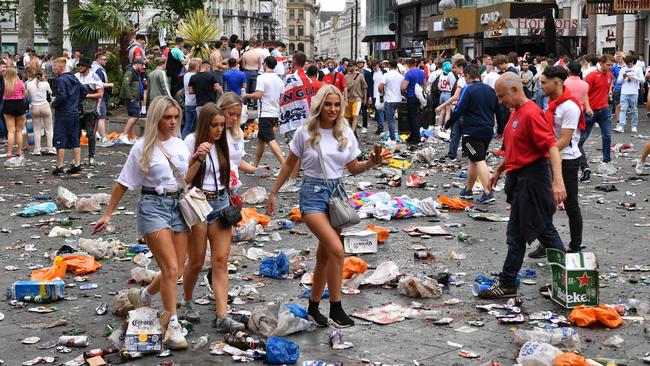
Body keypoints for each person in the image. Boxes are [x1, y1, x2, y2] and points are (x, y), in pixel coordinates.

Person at [267, 85, 388, 327]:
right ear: (319, 106)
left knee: (324, 256)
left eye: (336, 105)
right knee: (337, 250)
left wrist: (371, 164)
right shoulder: (305, 132)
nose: (332, 109)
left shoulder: (345, 132)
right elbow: (289, 164)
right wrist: (273, 192)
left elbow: (353, 168)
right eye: (328, 104)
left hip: (335, 195)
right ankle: (336, 307)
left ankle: (313, 307)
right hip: (311, 196)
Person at [93, 96, 189, 349]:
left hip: (179, 206)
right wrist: (107, 213)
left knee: (178, 269)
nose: (172, 121)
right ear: (156, 118)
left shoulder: (181, 145)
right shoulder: (143, 146)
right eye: (167, 117)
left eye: (175, 117)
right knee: (169, 268)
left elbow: (187, 178)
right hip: (152, 207)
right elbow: (124, 182)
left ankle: (144, 295)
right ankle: (172, 325)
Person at [478, 73, 566, 299]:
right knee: (520, 233)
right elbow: (515, 149)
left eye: (501, 96)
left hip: (533, 180)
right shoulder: (516, 113)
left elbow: (552, 148)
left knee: (543, 230)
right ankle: (509, 282)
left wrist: (558, 182)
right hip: (520, 179)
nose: (500, 101)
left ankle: (564, 280)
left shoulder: (532, 113)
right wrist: (499, 170)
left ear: (516, 90)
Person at [179, 102, 246, 331]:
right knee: (196, 260)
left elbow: (229, 171)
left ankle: (222, 315)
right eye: (214, 126)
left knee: (220, 261)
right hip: (198, 202)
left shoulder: (222, 143)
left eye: (221, 125)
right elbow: (184, 179)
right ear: (204, 125)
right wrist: (197, 157)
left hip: (220, 204)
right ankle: (187, 301)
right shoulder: (190, 141)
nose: (218, 130)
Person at [528, 66, 584, 259]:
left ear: (557, 83)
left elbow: (564, 140)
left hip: (567, 160)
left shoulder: (569, 106)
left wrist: (542, 153)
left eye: (544, 82)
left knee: (570, 204)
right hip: (551, 157)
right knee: (546, 204)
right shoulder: (552, 103)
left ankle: (575, 246)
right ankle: (548, 243)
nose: (541, 86)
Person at [443, 65, 501, 204]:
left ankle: (488, 192)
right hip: (487, 131)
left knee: (478, 159)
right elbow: (499, 110)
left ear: (468, 76)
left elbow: (459, 109)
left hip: (471, 132)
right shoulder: (490, 90)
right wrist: (500, 130)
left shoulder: (468, 89)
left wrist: (448, 124)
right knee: (473, 159)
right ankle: (468, 190)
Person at [278, 51, 315, 193]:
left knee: (294, 152)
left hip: (294, 121)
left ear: (293, 62)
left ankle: (293, 181)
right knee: (304, 150)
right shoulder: (308, 79)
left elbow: (283, 99)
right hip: (307, 119)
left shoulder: (291, 79)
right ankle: (300, 178)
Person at [243, 56, 285, 169]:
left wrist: (246, 95)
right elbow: (282, 98)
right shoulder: (279, 80)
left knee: (270, 140)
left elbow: (258, 95)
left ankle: (285, 165)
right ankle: (255, 165)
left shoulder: (262, 78)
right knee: (261, 140)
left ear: (265, 64)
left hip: (265, 113)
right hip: (275, 113)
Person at [579, 54, 615, 181]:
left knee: (607, 136)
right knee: (581, 139)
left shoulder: (610, 76)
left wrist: (608, 94)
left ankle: (606, 161)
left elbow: (608, 87)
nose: (610, 67)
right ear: (601, 63)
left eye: (612, 65)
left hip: (604, 110)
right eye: (608, 65)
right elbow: (585, 94)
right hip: (591, 111)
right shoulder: (592, 76)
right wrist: (588, 107)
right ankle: (580, 162)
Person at [52, 57, 84, 175]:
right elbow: (84, 90)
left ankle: (60, 165)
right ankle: (77, 164)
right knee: (75, 138)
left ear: (60, 67)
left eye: (55, 67)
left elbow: (62, 96)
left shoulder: (61, 80)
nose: (54, 70)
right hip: (74, 112)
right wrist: (76, 102)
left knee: (60, 138)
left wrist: (54, 104)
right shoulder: (73, 77)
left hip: (63, 112)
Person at [75, 57, 104, 166]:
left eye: (82, 65)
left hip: (90, 110)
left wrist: (87, 95)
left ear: (87, 67)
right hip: (77, 108)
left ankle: (91, 157)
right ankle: (76, 158)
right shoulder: (76, 77)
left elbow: (100, 93)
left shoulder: (94, 76)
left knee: (90, 133)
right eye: (79, 65)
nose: (80, 67)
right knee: (76, 134)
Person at [26, 69, 55, 155]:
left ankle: (37, 149)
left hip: (34, 107)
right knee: (49, 128)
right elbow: (51, 92)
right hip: (44, 106)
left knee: (36, 129)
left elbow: (27, 95)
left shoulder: (29, 84)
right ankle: (50, 148)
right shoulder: (45, 84)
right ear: (42, 75)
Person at [2, 67, 27, 164]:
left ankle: (9, 152)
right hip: (20, 105)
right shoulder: (20, 82)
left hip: (8, 105)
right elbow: (24, 95)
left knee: (11, 131)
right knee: (19, 131)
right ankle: (19, 151)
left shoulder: (5, 83)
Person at [119, 58, 146, 145]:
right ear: (137, 64)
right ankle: (124, 134)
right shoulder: (130, 72)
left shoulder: (136, 72)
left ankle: (132, 136)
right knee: (135, 116)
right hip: (132, 98)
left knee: (133, 117)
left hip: (136, 97)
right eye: (141, 65)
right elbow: (126, 85)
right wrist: (131, 97)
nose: (142, 67)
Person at [614, 55, 644, 133]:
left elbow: (643, 80)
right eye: (626, 63)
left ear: (632, 62)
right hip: (624, 92)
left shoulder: (638, 69)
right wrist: (623, 77)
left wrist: (634, 77)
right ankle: (621, 126)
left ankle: (634, 126)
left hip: (634, 92)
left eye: (629, 63)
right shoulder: (623, 69)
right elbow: (618, 81)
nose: (628, 65)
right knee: (623, 109)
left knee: (634, 110)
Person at [91, 52, 113, 147]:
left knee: (97, 118)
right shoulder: (98, 70)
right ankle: (104, 138)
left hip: (99, 97)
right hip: (100, 97)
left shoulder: (96, 69)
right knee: (101, 118)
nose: (105, 61)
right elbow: (98, 83)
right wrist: (109, 84)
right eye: (104, 59)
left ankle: (92, 137)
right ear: (98, 60)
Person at [378, 60, 404, 141]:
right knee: (394, 119)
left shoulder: (386, 75)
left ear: (389, 66)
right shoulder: (401, 76)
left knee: (390, 120)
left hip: (389, 100)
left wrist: (382, 93)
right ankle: (395, 134)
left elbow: (380, 87)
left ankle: (392, 138)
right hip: (398, 100)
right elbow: (403, 88)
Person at [401, 58, 425, 144]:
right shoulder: (422, 72)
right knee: (415, 116)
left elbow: (404, 87)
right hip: (419, 97)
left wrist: (403, 92)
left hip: (411, 96)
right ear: (415, 63)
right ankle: (413, 136)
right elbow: (424, 85)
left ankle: (416, 137)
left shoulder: (409, 74)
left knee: (412, 117)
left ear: (407, 65)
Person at [344, 61, 367, 133]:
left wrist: (365, 99)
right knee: (348, 117)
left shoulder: (360, 76)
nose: (349, 67)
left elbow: (364, 87)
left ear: (354, 66)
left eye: (351, 66)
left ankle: (352, 132)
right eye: (348, 66)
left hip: (357, 98)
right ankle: (352, 131)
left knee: (355, 116)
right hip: (348, 99)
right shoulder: (345, 76)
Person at [182, 59, 199, 138]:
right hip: (194, 103)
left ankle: (183, 140)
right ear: (196, 67)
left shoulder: (186, 75)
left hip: (187, 103)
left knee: (188, 125)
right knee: (199, 125)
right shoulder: (194, 76)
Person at [435, 62, 456, 127]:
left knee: (442, 112)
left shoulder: (441, 75)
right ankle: (446, 127)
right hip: (448, 93)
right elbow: (454, 85)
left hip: (442, 93)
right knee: (448, 112)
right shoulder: (451, 75)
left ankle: (439, 126)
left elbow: (438, 86)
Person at [371, 61, 386, 134]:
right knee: (377, 111)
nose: (374, 67)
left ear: (378, 65)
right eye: (373, 66)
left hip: (381, 94)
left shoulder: (384, 72)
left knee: (380, 110)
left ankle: (381, 127)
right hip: (374, 94)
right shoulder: (372, 73)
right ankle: (380, 126)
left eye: (375, 65)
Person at [359, 59, 373, 134]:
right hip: (356, 94)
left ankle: (365, 126)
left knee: (364, 111)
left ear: (363, 64)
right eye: (358, 63)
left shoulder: (367, 73)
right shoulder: (354, 72)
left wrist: (370, 96)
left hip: (365, 94)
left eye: (361, 63)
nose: (360, 64)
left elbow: (370, 85)